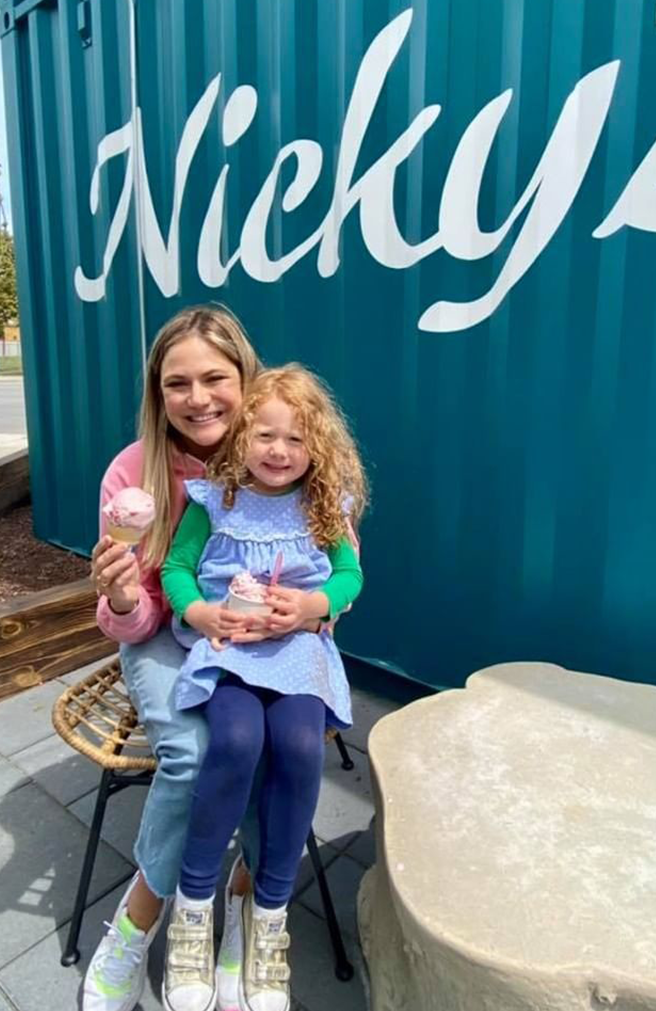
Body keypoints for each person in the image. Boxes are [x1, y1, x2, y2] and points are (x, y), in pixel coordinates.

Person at [158, 365, 366, 1011]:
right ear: (241, 436)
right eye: (265, 436)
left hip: (298, 652)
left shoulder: (323, 505)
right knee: (237, 740)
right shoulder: (213, 500)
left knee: (300, 747)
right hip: (231, 653)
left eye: (296, 439)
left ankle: (269, 914)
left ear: (317, 446)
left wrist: (313, 605)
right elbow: (176, 569)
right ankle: (194, 906)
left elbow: (349, 576)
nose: (279, 451)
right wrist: (199, 612)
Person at [83, 305, 270, 1011]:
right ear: (157, 394)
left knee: (276, 743)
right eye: (177, 384)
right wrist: (125, 596)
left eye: (215, 378)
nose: (198, 399)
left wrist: (312, 610)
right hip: (166, 634)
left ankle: (246, 902)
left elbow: (337, 559)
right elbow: (130, 623)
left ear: (244, 377)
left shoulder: (281, 448)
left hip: (263, 635)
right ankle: (140, 920)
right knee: (192, 755)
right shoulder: (133, 473)